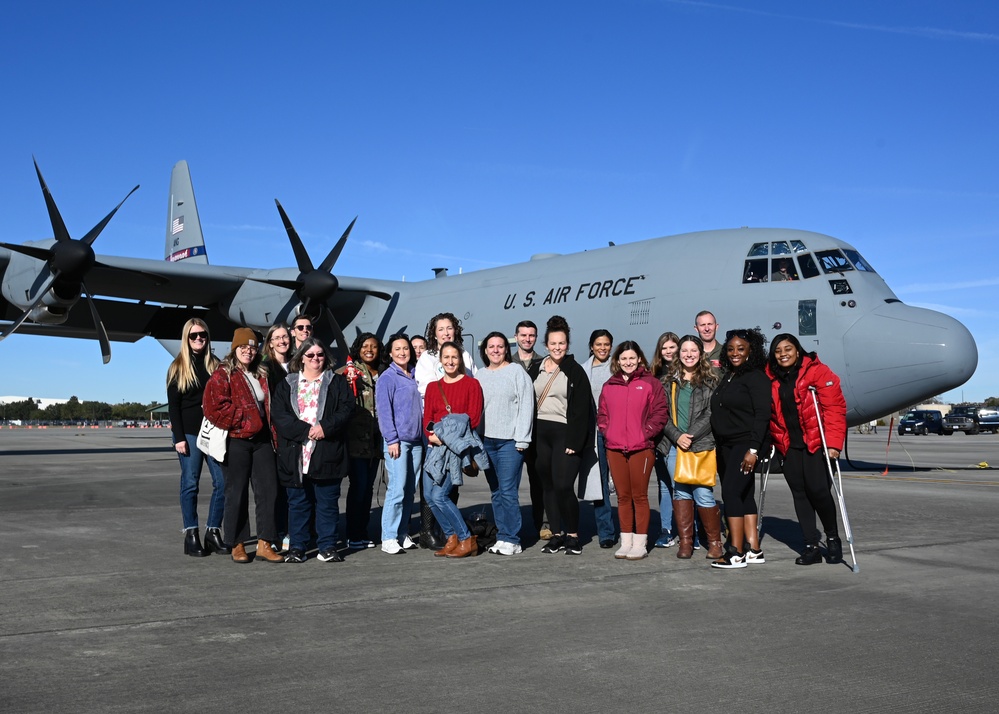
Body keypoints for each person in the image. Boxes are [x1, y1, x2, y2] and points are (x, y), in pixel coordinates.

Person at [202, 328, 283, 564]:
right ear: (234, 349)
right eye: (243, 347)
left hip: (262, 441)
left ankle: (265, 543)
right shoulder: (223, 374)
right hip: (236, 440)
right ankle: (236, 543)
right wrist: (245, 419)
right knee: (235, 493)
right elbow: (213, 407)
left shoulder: (261, 373)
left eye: (252, 347)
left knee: (269, 490)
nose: (248, 351)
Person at [767, 333, 847, 565]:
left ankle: (832, 538)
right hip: (788, 445)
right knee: (799, 494)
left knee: (819, 491)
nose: (783, 354)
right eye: (778, 350)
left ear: (798, 350)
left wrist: (833, 444)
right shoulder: (771, 377)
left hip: (815, 443)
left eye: (788, 348)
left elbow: (834, 409)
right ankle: (810, 545)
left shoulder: (817, 371)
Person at [271, 337, 353, 563]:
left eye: (320, 354)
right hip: (296, 453)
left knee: (327, 503)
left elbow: (346, 410)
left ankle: (327, 546)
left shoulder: (336, 383)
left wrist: (324, 427)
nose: (316, 358)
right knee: (298, 504)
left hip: (327, 451)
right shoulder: (287, 384)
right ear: (301, 358)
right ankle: (297, 547)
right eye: (311, 355)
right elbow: (279, 415)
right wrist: (305, 430)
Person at [597, 341, 669, 560]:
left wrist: (645, 433)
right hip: (615, 448)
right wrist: (607, 432)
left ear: (639, 359)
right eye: (623, 358)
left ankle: (640, 542)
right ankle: (626, 540)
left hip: (641, 448)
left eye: (632, 358)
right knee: (622, 496)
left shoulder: (650, 383)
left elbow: (660, 413)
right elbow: (602, 414)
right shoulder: (610, 385)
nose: (628, 362)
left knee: (639, 496)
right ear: (617, 361)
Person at [528, 315, 593, 555]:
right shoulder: (536, 368)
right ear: (546, 345)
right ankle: (556, 534)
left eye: (562, 343)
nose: (557, 348)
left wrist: (575, 441)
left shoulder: (575, 371)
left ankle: (573, 535)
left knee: (564, 485)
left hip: (565, 434)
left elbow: (582, 409)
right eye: (553, 343)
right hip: (540, 433)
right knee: (548, 486)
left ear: (568, 344)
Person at [414, 312, 477, 549]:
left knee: (449, 488)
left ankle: (452, 535)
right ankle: (430, 531)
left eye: (449, 328)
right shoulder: (427, 359)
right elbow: (427, 396)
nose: (446, 332)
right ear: (434, 333)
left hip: (459, 435)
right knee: (432, 490)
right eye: (441, 329)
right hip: (436, 435)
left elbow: (470, 389)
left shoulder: (466, 355)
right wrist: (434, 433)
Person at [709, 328, 770, 569]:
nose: (735, 353)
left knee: (731, 493)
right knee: (744, 494)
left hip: (745, 444)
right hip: (727, 445)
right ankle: (754, 549)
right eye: (731, 348)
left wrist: (753, 450)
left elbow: (763, 415)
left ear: (751, 351)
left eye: (741, 349)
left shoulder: (756, 377)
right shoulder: (730, 376)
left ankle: (735, 551)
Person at [166, 318, 227, 557]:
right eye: (193, 335)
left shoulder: (216, 365)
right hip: (189, 434)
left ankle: (213, 531)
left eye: (202, 334)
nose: (199, 338)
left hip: (214, 433)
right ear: (186, 338)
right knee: (190, 483)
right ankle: (191, 534)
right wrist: (178, 438)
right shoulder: (177, 367)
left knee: (222, 483)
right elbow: (174, 407)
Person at [663, 335, 724, 559]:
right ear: (678, 354)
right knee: (680, 493)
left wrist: (691, 435)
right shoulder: (668, 382)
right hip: (674, 446)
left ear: (701, 354)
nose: (689, 355)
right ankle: (686, 542)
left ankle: (715, 542)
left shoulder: (710, 381)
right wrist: (677, 437)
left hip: (702, 445)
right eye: (684, 350)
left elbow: (711, 413)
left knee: (703, 494)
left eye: (693, 351)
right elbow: (663, 416)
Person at [423, 341, 485, 558]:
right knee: (429, 496)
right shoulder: (433, 387)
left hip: (455, 451)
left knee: (440, 495)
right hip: (434, 448)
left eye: (454, 357)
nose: (450, 361)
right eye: (446, 357)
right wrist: (431, 435)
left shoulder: (472, 385)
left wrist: (447, 437)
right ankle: (451, 537)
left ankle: (467, 538)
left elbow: (473, 419)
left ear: (461, 360)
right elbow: (427, 419)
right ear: (441, 360)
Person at [477, 331, 534, 556]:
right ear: (485, 351)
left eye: (500, 346)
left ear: (506, 349)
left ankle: (513, 538)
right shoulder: (479, 375)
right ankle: (502, 536)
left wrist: (523, 438)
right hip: (486, 441)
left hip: (510, 442)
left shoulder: (516, 372)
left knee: (508, 491)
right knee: (496, 491)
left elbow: (527, 405)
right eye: (491, 347)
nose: (496, 350)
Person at [375, 334, 424, 555]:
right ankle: (388, 536)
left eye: (406, 348)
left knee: (409, 490)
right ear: (390, 353)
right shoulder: (387, 377)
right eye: (398, 349)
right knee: (396, 489)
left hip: (417, 442)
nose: (402, 352)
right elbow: (384, 412)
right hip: (398, 442)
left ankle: (402, 532)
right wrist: (392, 439)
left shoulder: (415, 374)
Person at [338, 332, 383, 550]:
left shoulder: (382, 372)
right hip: (357, 441)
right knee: (359, 486)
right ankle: (353, 533)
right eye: (365, 346)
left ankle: (362, 531)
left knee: (368, 488)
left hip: (376, 443)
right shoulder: (350, 371)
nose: (369, 350)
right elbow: (335, 381)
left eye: (373, 346)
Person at [510, 319, 547, 541]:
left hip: (537, 432)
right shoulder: (507, 362)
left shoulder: (544, 363)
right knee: (509, 485)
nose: (527, 339)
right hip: (511, 432)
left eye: (531, 335)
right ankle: (508, 526)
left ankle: (543, 523)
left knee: (539, 482)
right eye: (523, 335)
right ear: (516, 337)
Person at [582, 328, 617, 549]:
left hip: (618, 430)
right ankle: (606, 532)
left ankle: (632, 529)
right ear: (591, 346)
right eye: (598, 344)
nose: (602, 348)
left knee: (623, 484)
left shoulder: (619, 366)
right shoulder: (585, 370)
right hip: (596, 432)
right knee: (600, 484)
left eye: (606, 344)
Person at [262, 322, 293, 550]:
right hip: (273, 434)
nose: (282, 341)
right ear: (270, 342)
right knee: (273, 487)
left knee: (291, 484)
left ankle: (291, 531)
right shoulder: (265, 367)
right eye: (277, 337)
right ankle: (273, 534)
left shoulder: (296, 365)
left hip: (293, 433)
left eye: (285, 337)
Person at [650, 331, 681, 549]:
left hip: (682, 439)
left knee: (682, 487)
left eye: (672, 347)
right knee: (664, 485)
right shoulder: (655, 376)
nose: (669, 351)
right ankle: (667, 529)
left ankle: (690, 530)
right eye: (665, 348)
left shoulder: (687, 372)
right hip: (661, 440)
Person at [695, 311, 722, 376]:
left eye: (710, 324)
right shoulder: (691, 355)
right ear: (696, 328)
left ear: (716, 326)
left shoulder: (726, 352)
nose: (707, 329)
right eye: (702, 325)